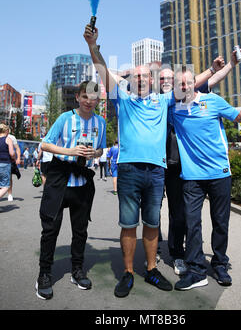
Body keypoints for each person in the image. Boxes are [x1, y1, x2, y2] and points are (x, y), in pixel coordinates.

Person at [83, 24, 215, 298]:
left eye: (145, 76)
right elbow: (102, 71)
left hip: (156, 171)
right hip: (130, 170)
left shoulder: (164, 100)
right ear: (131, 80)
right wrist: (92, 46)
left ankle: (152, 268)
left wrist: (213, 71)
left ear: (153, 81)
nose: (141, 79)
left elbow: (190, 84)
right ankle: (129, 272)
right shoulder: (123, 98)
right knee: (129, 224)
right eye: (137, 76)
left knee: (153, 223)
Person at [168, 66, 241, 290]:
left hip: (219, 174)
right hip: (191, 177)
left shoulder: (213, 101)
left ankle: (219, 263)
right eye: (180, 84)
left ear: (194, 82)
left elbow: (239, 116)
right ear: (177, 87)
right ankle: (197, 270)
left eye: (188, 82)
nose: (185, 87)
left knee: (220, 222)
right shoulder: (173, 108)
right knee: (192, 223)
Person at [160, 50, 241, 276]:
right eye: (163, 79)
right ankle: (177, 254)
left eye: (171, 79)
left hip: (190, 166)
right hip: (169, 165)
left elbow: (209, 80)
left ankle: (200, 258)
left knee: (194, 218)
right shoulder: (163, 102)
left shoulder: (193, 95)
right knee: (177, 215)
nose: (167, 82)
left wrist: (229, 66)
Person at [35, 81, 106, 300]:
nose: (89, 101)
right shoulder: (66, 118)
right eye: (85, 96)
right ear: (77, 97)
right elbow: (45, 145)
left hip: (83, 182)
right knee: (50, 231)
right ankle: (44, 275)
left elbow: (102, 148)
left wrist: (95, 153)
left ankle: (77, 270)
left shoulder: (101, 122)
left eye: (93, 98)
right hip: (59, 179)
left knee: (80, 231)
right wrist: (70, 150)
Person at [0, 123, 16, 200]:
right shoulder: (7, 139)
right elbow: (11, 153)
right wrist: (14, 157)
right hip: (4, 164)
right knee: (6, 186)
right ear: (6, 131)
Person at [7, 130, 21, 201]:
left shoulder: (11, 137)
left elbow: (17, 148)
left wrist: (18, 158)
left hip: (8, 160)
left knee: (9, 177)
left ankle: (9, 194)